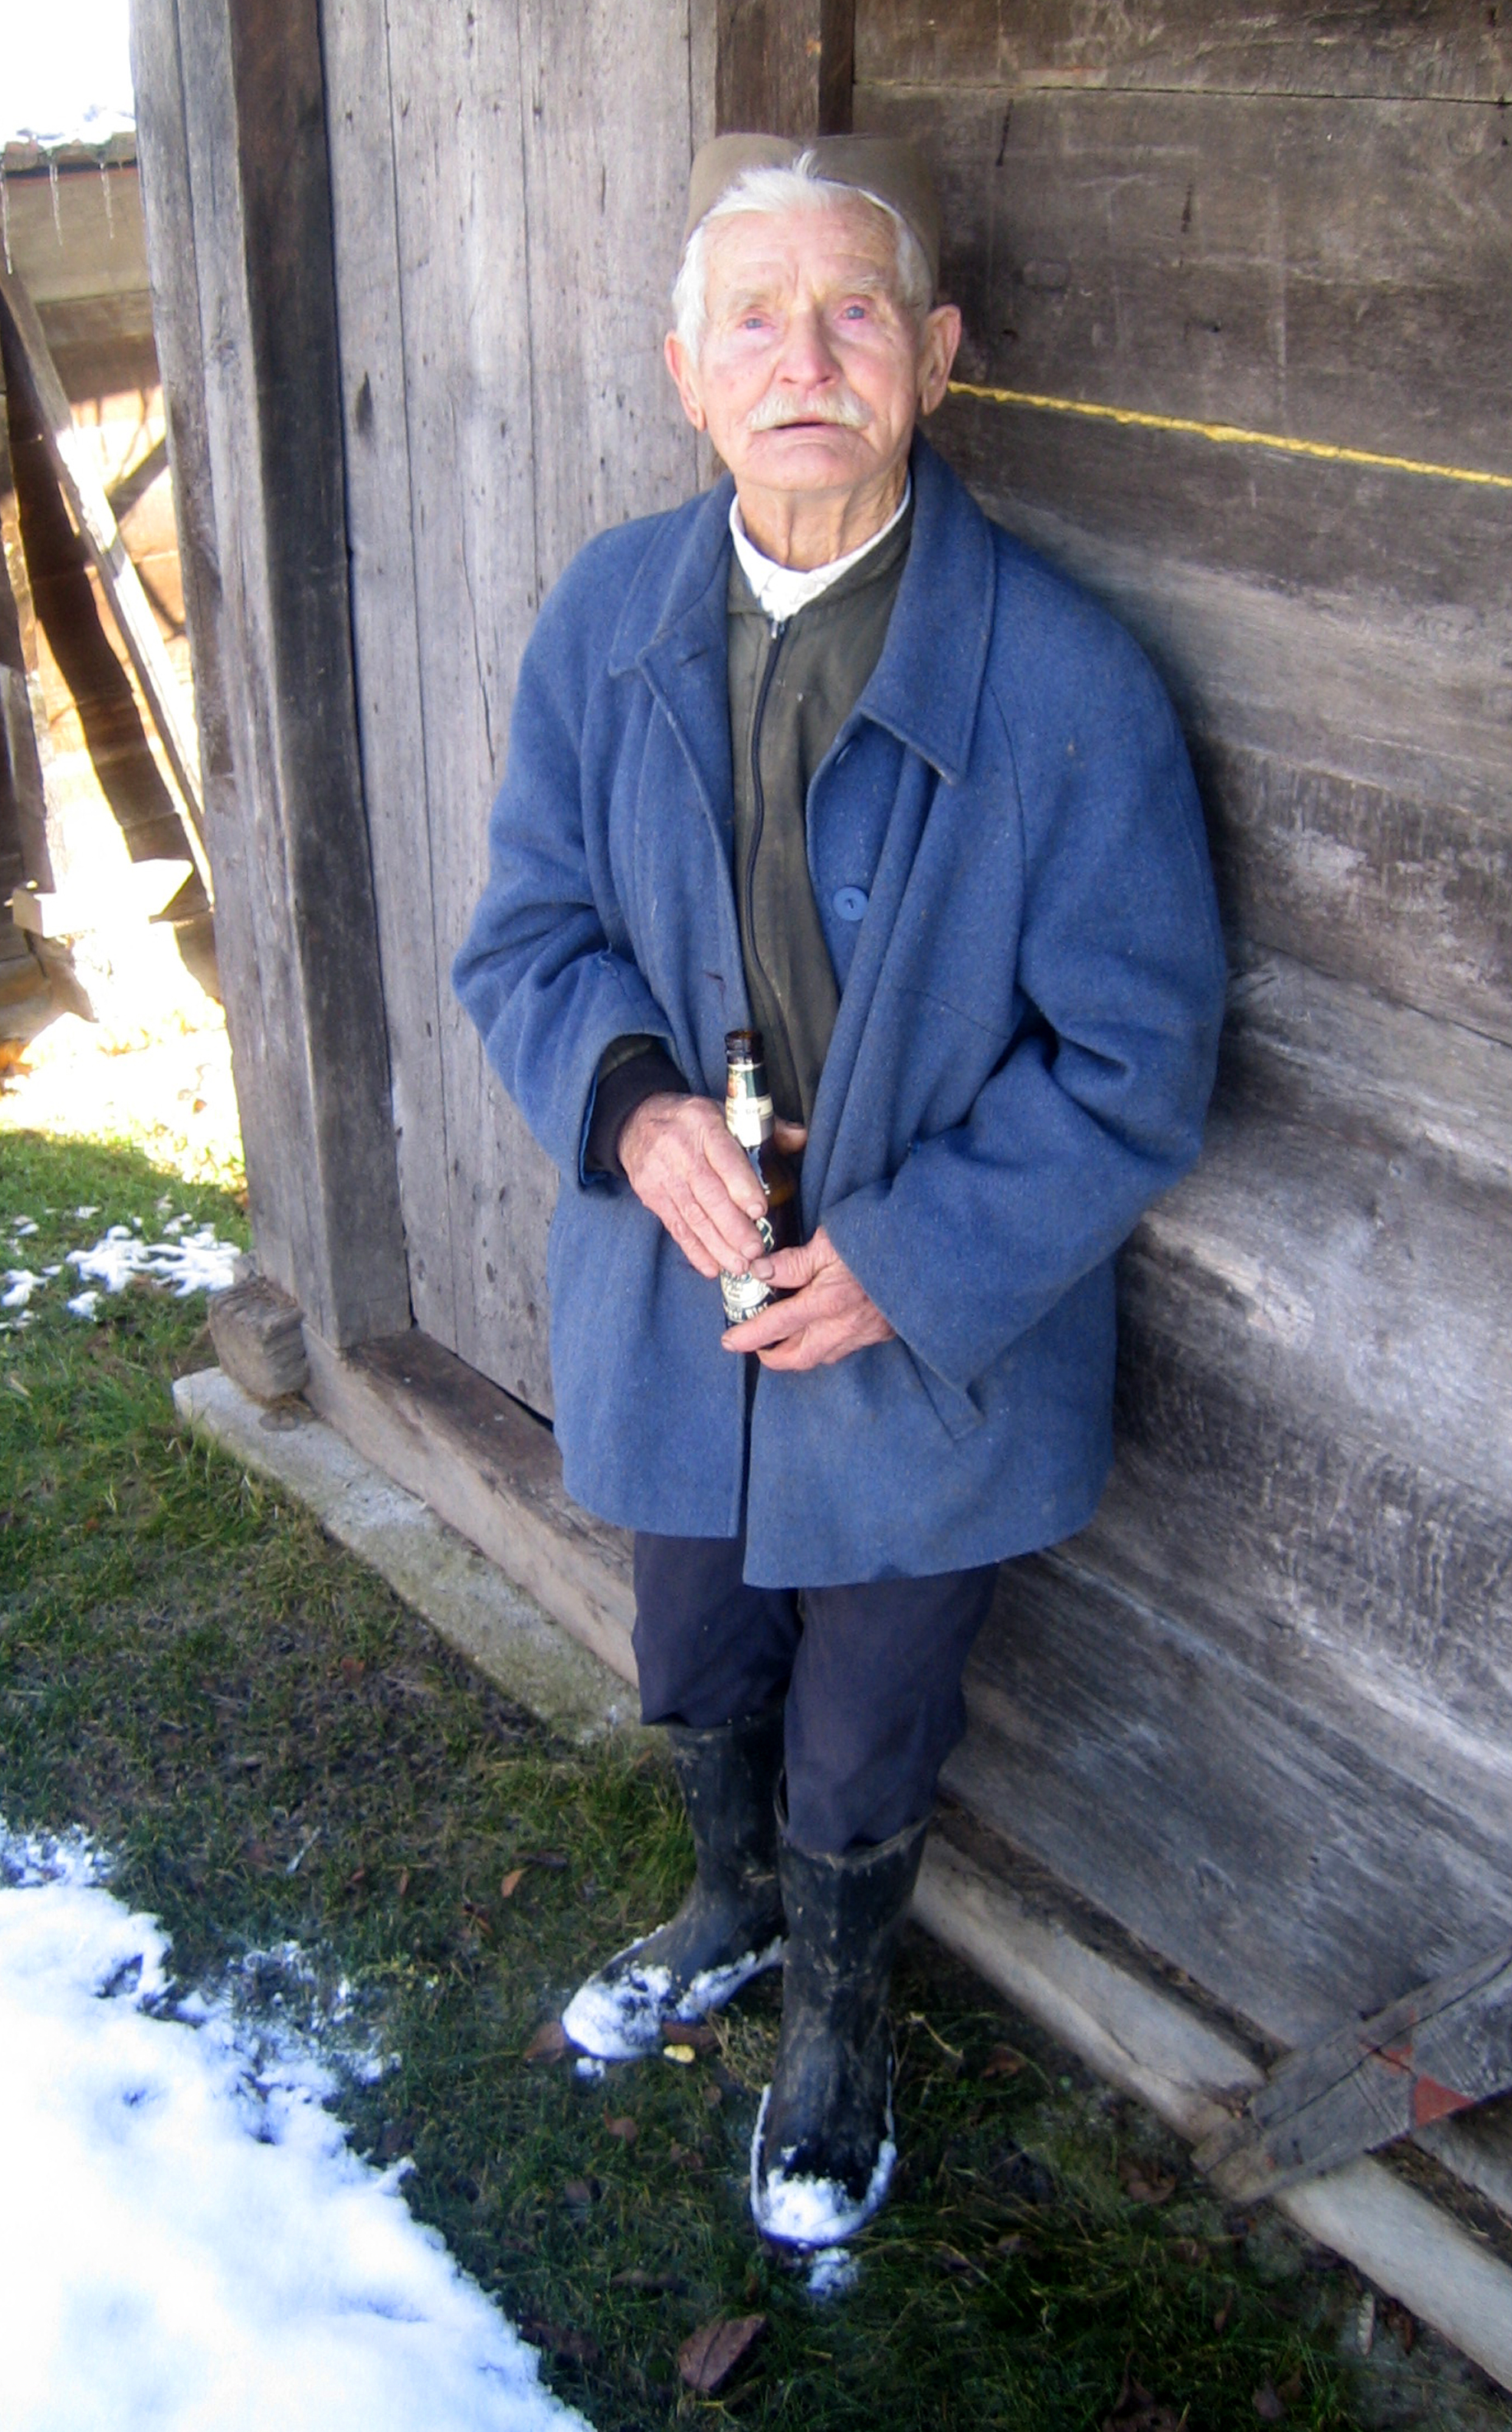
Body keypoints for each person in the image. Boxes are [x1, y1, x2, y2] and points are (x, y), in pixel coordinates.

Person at [453, 132, 1226, 2249]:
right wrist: (632, 1109)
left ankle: (838, 2019)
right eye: (754, 322)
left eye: (854, 312)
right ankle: (726, 1906)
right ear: (684, 371)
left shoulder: (1063, 681)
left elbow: (1141, 1058)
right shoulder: (606, 618)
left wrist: (903, 1257)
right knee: (692, 1636)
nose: (804, 361)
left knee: (873, 1702)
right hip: (676, 1289)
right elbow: (526, 935)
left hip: (927, 1333)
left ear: (936, 357)